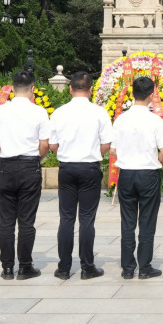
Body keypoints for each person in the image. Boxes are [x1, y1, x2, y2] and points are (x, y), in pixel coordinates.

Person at [48, 71, 113, 280]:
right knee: (87, 219)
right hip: (89, 167)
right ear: (91, 90)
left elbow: (52, 144)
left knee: (66, 218)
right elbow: (106, 144)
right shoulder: (100, 112)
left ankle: (64, 268)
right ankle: (87, 266)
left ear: (70, 89)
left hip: (67, 167)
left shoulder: (59, 112)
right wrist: (92, 155)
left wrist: (66, 155)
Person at [0, 70, 50, 281]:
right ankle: (25, 266)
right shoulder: (40, 112)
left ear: (12, 88)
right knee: (26, 221)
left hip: (7, 166)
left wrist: (6, 156)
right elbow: (44, 144)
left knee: (5, 220)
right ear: (33, 89)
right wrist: (34, 160)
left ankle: (7, 267)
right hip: (29, 166)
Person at [111, 75, 163, 279]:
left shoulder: (121, 119)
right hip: (148, 173)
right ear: (152, 94)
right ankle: (144, 267)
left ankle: (128, 268)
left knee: (127, 221)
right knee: (147, 220)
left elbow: (112, 151)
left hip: (126, 173)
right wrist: (154, 158)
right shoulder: (154, 120)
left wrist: (127, 155)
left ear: (132, 92)